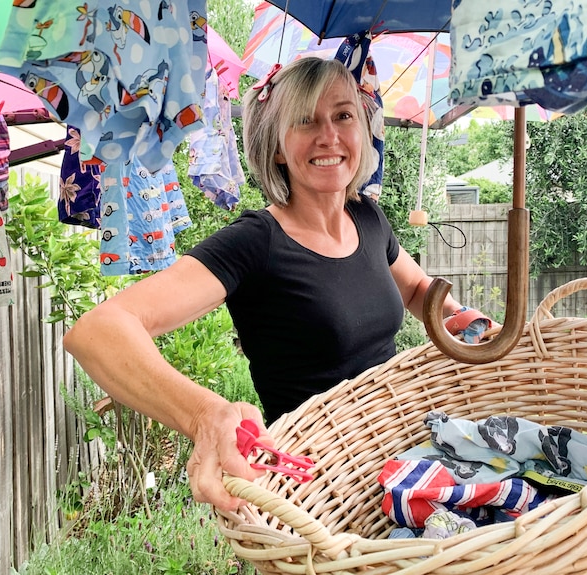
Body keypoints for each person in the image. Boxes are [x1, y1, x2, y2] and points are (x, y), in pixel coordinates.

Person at [63, 57, 491, 512]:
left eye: (343, 115)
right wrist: (204, 415)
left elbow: (416, 291)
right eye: (305, 121)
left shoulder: (368, 217)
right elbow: (97, 331)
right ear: (278, 148)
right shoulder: (257, 241)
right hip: (323, 491)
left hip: (402, 454)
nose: (329, 135)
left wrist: (465, 320)